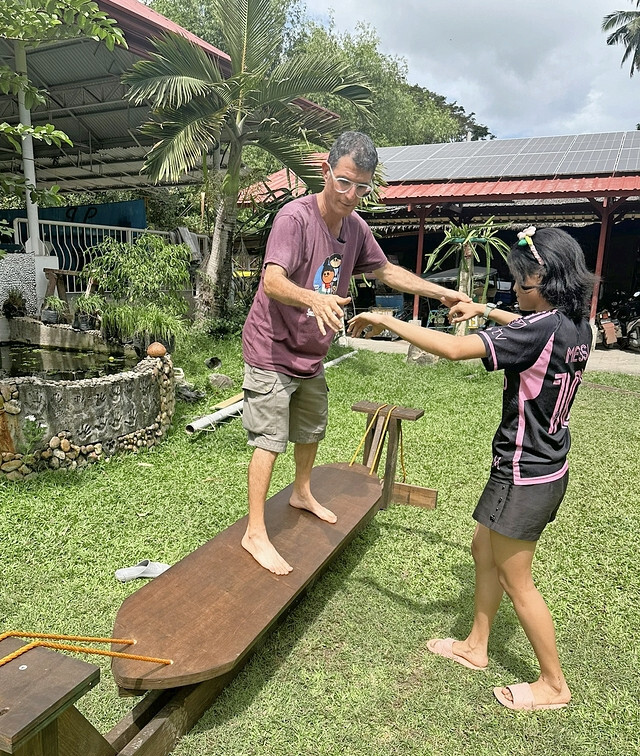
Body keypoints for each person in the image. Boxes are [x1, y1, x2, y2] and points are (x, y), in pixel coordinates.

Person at [348, 226, 595, 711]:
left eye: (521, 283)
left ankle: (553, 684)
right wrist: (483, 309)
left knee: (516, 580)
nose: (516, 291)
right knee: (482, 547)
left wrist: (387, 320)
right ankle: (476, 646)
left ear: (546, 281)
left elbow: (456, 349)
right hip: (537, 465)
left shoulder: (539, 329)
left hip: (525, 472)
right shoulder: (573, 324)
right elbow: (523, 323)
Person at [241, 131, 467, 576]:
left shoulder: (355, 228)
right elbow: (272, 281)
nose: (350, 195)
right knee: (270, 439)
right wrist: (314, 298)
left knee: (311, 428)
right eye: (344, 182)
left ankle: (301, 492)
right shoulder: (295, 218)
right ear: (326, 171)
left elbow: (386, 271)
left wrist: (439, 292)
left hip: (310, 352)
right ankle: (255, 532)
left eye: (361, 187)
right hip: (271, 347)